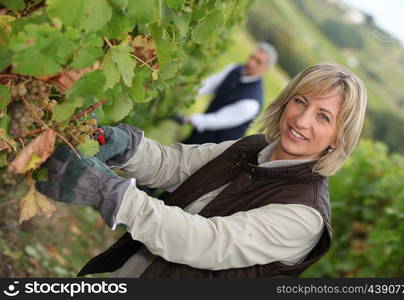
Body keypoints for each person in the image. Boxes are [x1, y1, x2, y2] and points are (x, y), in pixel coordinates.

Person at [36, 62, 367, 278]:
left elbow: (206, 242)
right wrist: (125, 145)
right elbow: (177, 166)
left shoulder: (304, 215)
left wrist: (112, 194)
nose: (302, 120)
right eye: (300, 101)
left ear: (339, 137)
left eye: (323, 116)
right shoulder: (251, 148)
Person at [175, 42, 277, 144]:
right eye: (252, 57)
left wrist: (188, 119)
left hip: (217, 147)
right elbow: (209, 84)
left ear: (265, 69)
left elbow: (220, 120)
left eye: (258, 62)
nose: (251, 63)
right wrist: (183, 95)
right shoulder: (234, 69)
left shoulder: (252, 102)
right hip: (200, 132)